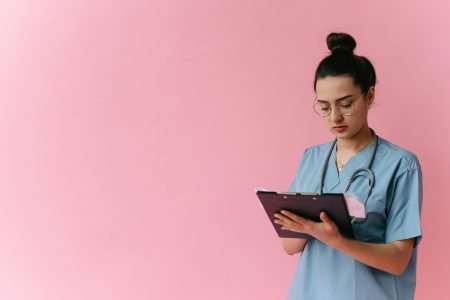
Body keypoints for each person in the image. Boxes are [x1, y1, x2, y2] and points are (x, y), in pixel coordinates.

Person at [273, 32, 423, 300]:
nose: (335, 117)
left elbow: (399, 259)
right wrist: (306, 226)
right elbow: (289, 246)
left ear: (370, 95)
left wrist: (338, 240)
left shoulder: (401, 165)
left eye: (346, 104)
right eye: (325, 107)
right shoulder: (312, 158)